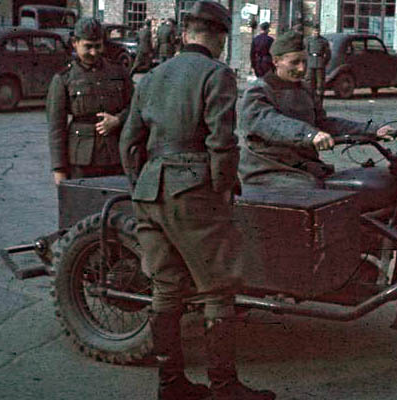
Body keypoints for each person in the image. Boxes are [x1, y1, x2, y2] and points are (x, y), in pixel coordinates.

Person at [119, 2, 275, 400]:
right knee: (218, 289)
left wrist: (143, 181)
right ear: (219, 37)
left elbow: (128, 142)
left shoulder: (151, 76)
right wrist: (222, 187)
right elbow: (221, 141)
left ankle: (170, 384)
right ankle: (225, 388)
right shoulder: (216, 74)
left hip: (149, 190)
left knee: (166, 288)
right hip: (192, 191)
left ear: (186, 33)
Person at [239, 31, 392, 188]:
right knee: (316, 193)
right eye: (295, 62)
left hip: (302, 165)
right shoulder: (259, 90)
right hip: (267, 168)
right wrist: (310, 134)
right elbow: (269, 122)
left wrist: (372, 130)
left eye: (305, 62)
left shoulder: (305, 89)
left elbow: (323, 123)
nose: (301, 68)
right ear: (276, 61)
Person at [46, 17, 133, 185]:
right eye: (88, 46)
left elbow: (136, 106)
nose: (94, 52)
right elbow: (56, 128)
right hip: (80, 161)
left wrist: (118, 120)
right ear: (75, 43)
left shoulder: (118, 71)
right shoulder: (64, 78)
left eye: (98, 46)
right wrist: (59, 170)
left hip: (115, 157)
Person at [305, 23, 331, 105]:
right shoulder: (307, 40)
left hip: (320, 64)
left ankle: (319, 102)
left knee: (320, 84)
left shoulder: (323, 41)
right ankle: (310, 101)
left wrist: (323, 62)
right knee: (309, 82)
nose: (316, 33)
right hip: (310, 62)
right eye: (315, 31)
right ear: (312, 31)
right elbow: (305, 52)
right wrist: (307, 62)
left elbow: (328, 54)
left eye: (318, 31)